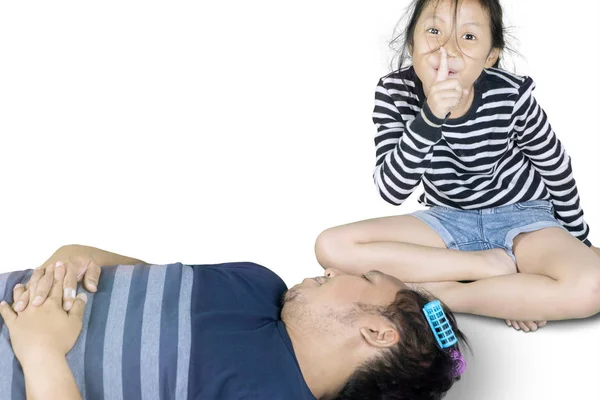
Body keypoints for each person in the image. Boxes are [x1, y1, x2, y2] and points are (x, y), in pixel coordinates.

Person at [314, 0, 600, 333]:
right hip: (447, 218)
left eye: (467, 37)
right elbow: (393, 190)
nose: (447, 49)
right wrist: (429, 117)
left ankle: (440, 292)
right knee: (330, 247)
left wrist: (577, 238)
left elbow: (553, 164)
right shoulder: (395, 91)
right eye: (434, 31)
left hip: (524, 217)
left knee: (592, 286)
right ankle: (489, 269)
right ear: (412, 44)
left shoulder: (511, 93)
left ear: (489, 56)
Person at [0, 244, 467, 400]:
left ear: (378, 331)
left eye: (365, 278)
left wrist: (40, 350)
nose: (332, 270)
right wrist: (79, 256)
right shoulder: (257, 282)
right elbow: (145, 284)